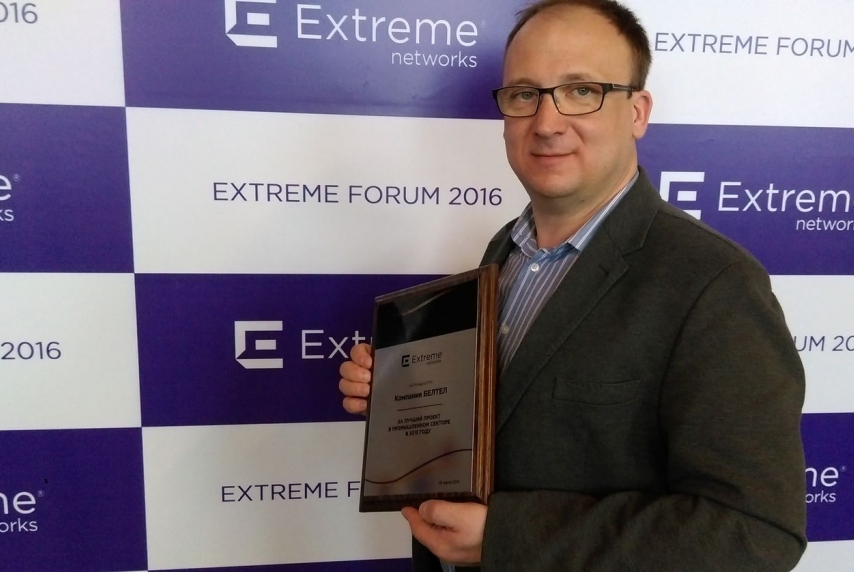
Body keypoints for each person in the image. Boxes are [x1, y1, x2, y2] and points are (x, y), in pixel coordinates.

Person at [339, 0, 807, 570]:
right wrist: (405, 393)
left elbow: (754, 532)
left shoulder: (714, 284)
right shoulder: (503, 252)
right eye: (524, 94)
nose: (547, 122)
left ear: (637, 112)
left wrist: (506, 536)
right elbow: (507, 423)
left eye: (582, 91)